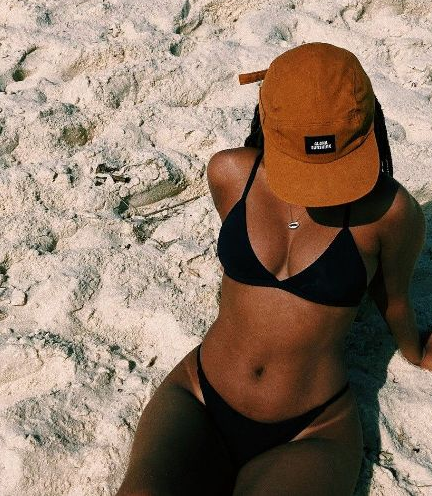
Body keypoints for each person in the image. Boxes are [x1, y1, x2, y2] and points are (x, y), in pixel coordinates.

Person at [115, 42, 431, 496]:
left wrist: (416, 351)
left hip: (311, 431)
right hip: (199, 397)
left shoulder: (391, 213)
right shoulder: (230, 173)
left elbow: (393, 297)